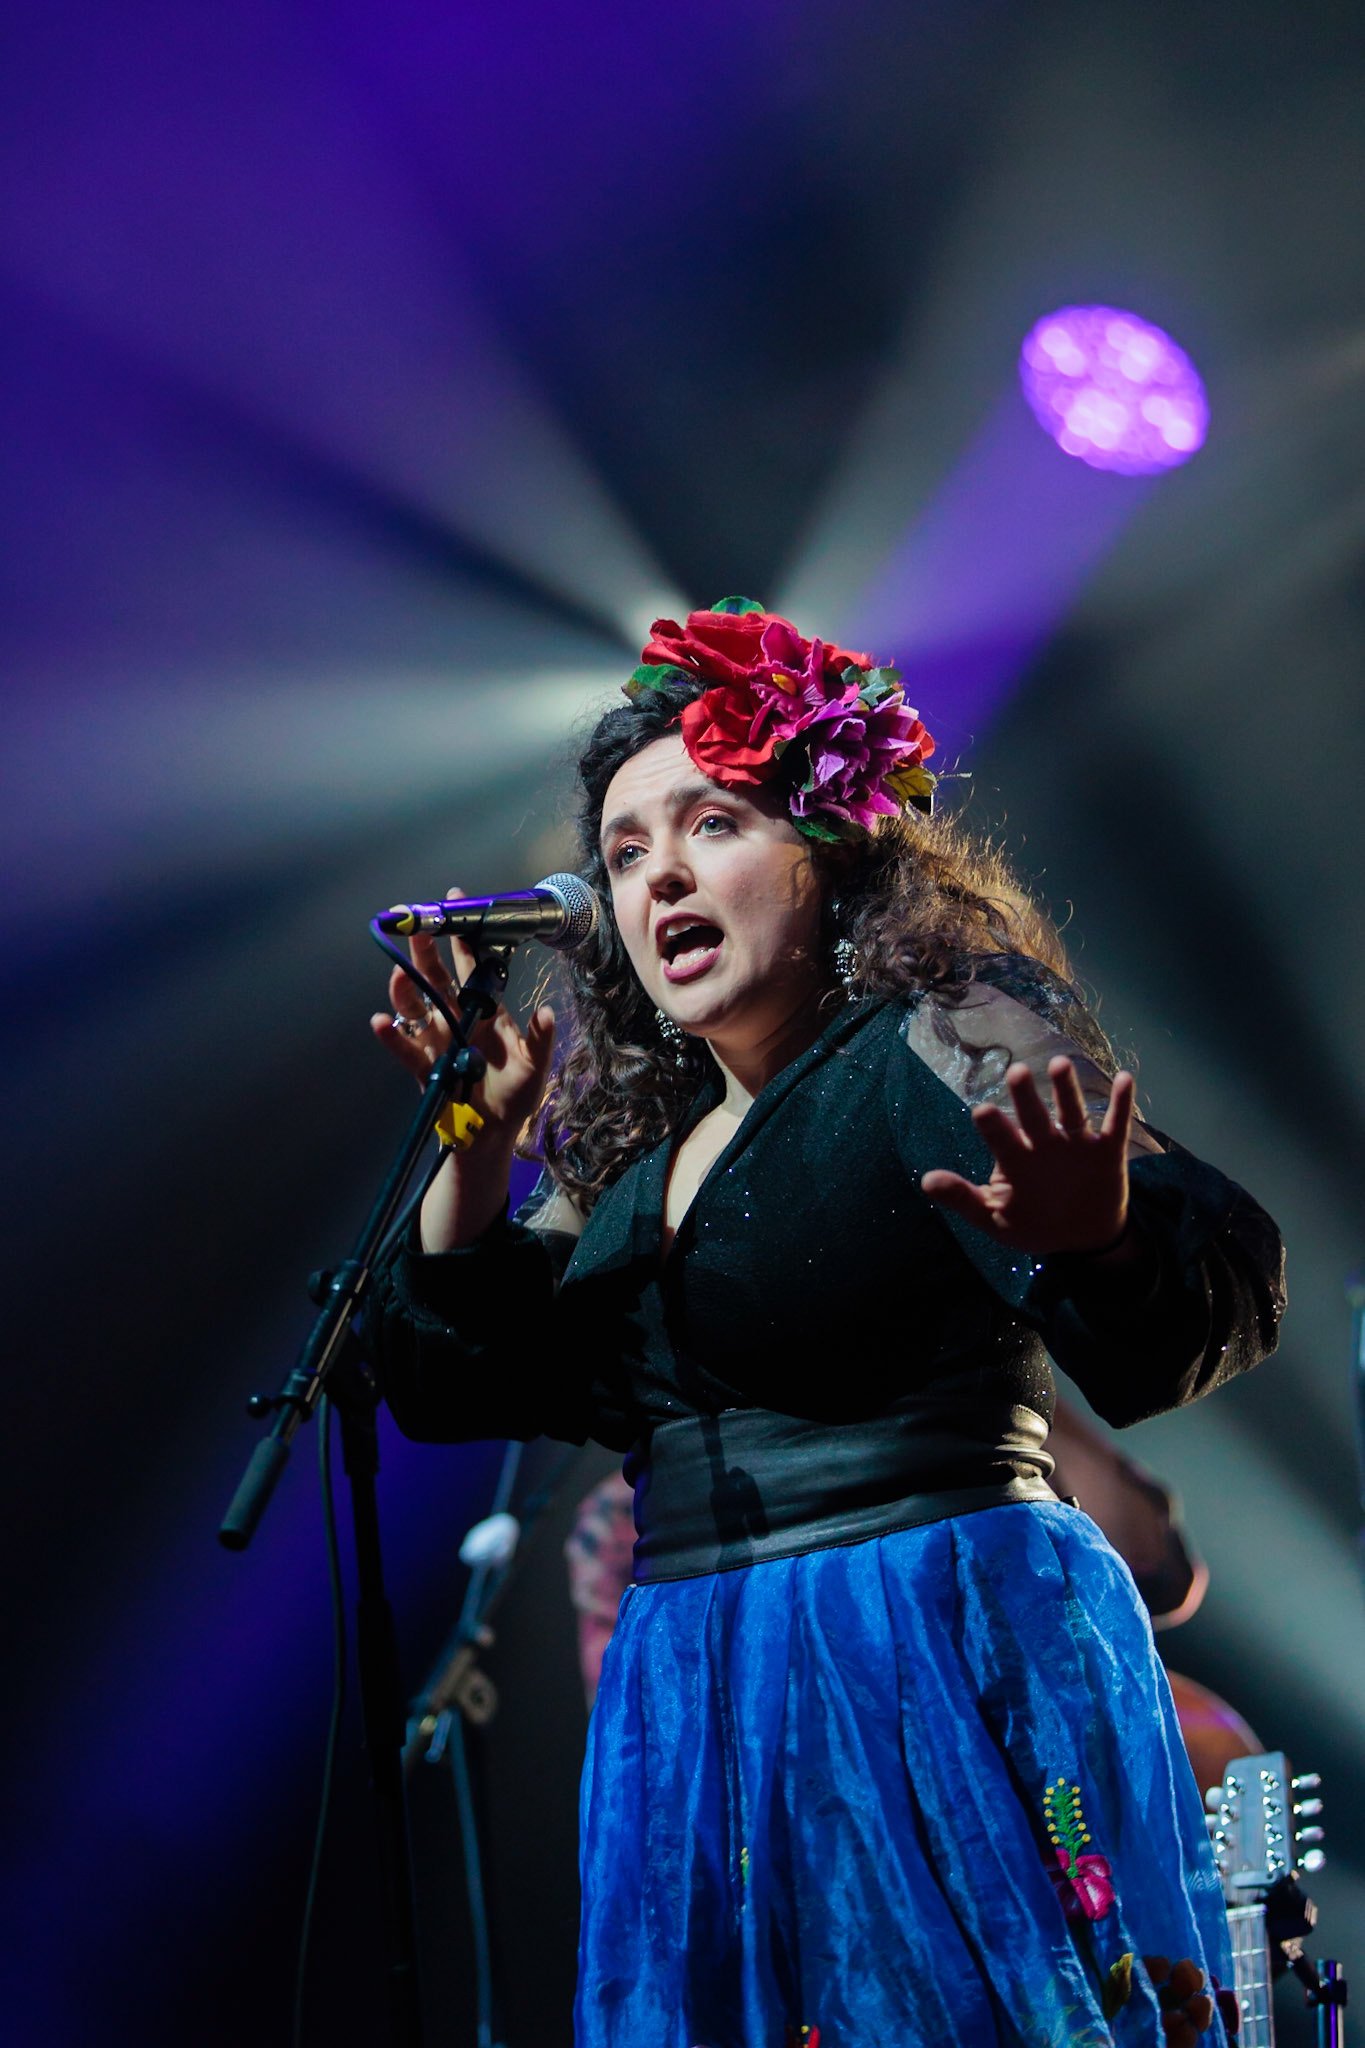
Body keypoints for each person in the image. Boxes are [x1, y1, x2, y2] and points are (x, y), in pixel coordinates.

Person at [366, 599, 1284, 2048]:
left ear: (829, 848)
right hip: (696, 1679)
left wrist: (1095, 1233)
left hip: (925, 1632)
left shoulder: (939, 1031)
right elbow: (463, 1375)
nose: (657, 871)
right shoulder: (633, 1155)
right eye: (621, 851)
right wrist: (477, 1159)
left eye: (711, 822)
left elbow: (1200, 1294)